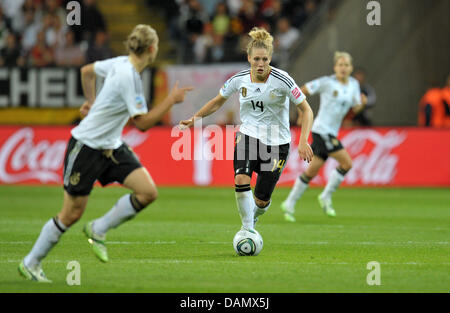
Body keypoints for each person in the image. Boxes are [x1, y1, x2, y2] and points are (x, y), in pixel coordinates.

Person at [18, 24, 193, 282]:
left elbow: (87, 71)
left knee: (147, 192)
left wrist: (90, 100)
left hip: (110, 145)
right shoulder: (129, 77)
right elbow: (142, 123)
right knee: (71, 213)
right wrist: (171, 100)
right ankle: (30, 263)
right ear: (153, 48)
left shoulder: (120, 62)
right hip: (87, 146)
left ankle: (98, 228)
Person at [180, 27, 314, 232]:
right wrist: (195, 118)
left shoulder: (283, 79)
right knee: (241, 178)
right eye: (257, 59)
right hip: (249, 136)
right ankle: (247, 230)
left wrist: (303, 140)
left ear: (270, 58)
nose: (261, 64)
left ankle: (253, 219)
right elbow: (217, 102)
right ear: (249, 57)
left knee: (261, 200)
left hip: (277, 143)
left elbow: (306, 110)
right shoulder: (239, 79)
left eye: (265, 60)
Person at [281, 51, 367, 222]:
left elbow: (354, 110)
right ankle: (326, 196)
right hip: (321, 130)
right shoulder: (327, 83)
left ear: (351, 68)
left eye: (346, 65)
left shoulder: (354, 85)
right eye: (340, 65)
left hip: (331, 132)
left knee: (311, 172)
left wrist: (362, 105)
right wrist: (301, 113)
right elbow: (302, 90)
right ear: (335, 67)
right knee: (347, 163)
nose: (343, 68)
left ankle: (289, 203)